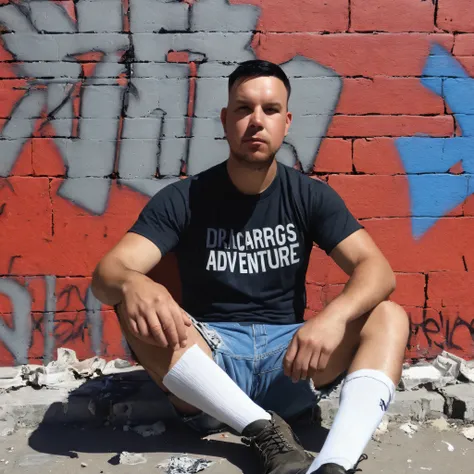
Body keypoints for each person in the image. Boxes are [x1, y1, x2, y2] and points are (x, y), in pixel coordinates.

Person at [91, 60, 409, 474]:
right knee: (130, 306)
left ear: (287, 122)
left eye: (270, 110)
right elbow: (106, 276)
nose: (256, 121)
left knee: (388, 315)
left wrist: (334, 317)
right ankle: (262, 430)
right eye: (243, 109)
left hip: (291, 363)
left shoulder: (310, 196)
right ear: (225, 120)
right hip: (209, 366)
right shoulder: (183, 198)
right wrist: (133, 283)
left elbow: (378, 270)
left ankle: (335, 463)